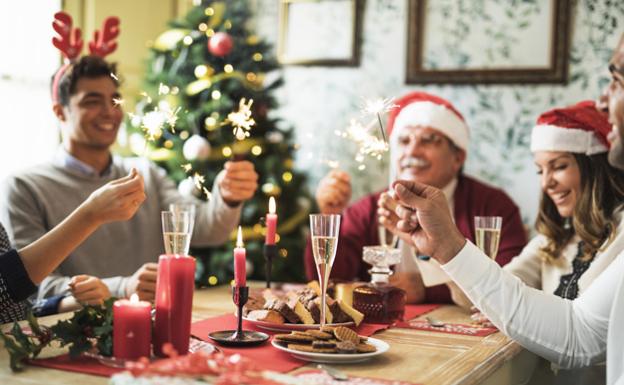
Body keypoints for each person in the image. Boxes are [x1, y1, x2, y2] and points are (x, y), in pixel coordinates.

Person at [386, 33, 624, 385]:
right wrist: (440, 250)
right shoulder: (554, 238)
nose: (546, 184)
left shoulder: (494, 203)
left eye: (558, 166)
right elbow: (492, 292)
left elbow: (578, 336)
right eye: (540, 171)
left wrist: (448, 250)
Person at [0, 56, 258, 308]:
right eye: (92, 101)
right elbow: (28, 289)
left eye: (114, 100)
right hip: (76, 335)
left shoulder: (144, 172)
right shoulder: (25, 187)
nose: (109, 112)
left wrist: (227, 197)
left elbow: (206, 229)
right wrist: (121, 288)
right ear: (60, 111)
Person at [304, 92, 527, 304]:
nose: (412, 151)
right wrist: (329, 216)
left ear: (458, 157)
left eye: (429, 140)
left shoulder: (493, 207)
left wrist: (428, 288)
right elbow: (328, 281)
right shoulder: (370, 208)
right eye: (404, 141)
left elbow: (510, 286)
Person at [0, 170, 144, 323]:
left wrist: (68, 304)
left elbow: (14, 308)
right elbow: (7, 288)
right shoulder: (23, 184)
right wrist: (90, 215)